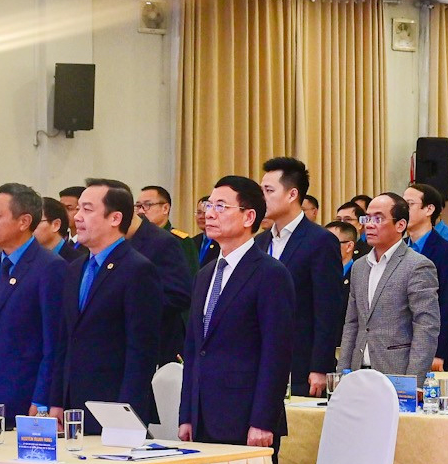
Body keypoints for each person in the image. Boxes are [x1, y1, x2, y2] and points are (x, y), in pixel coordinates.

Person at [178, 176, 293, 449]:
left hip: (246, 418)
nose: (209, 214)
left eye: (221, 206)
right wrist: (187, 415)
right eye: (208, 205)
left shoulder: (270, 273)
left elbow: (276, 353)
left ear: (248, 216)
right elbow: (194, 349)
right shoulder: (205, 274)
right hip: (202, 416)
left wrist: (263, 420)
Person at [56, 181, 160, 430]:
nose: (77, 217)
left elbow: (141, 351)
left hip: (113, 404)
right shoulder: (75, 269)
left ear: (115, 218)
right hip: (73, 404)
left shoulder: (137, 269)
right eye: (78, 209)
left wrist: (126, 412)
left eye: (87, 209)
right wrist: (56, 400)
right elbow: (64, 339)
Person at [0, 184, 68, 426]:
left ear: (24, 221)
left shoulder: (50, 267)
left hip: (27, 395)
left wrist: (42, 399)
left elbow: (53, 343)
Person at [257, 157, 345, 396]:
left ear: (292, 194)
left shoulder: (320, 241)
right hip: (261, 359)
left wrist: (320, 367)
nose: (262, 197)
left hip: (300, 363)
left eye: (269, 190)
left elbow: (327, 309)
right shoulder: (260, 242)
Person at [337, 193, 441, 379]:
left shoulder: (417, 265)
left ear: (400, 225)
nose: (369, 225)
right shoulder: (359, 266)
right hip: (358, 371)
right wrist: (342, 373)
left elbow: (426, 326)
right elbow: (352, 323)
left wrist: (414, 381)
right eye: (367, 218)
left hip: (397, 372)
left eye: (378, 218)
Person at [128, 184, 194, 367]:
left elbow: (186, 285)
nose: (141, 210)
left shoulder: (176, 240)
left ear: (165, 208)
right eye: (138, 206)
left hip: (171, 326)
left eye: (147, 205)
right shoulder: (134, 239)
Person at [403, 182, 448, 370]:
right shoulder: (398, 248)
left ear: (429, 209)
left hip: (431, 348)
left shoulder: (447, 251)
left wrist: (438, 352)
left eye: (409, 204)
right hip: (398, 347)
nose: (402, 210)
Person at [34, 198, 85, 264]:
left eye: (36, 222)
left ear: (56, 225)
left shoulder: (77, 261)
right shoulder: (30, 257)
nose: (29, 228)